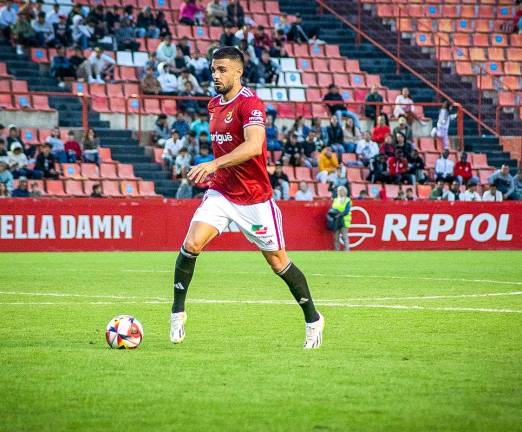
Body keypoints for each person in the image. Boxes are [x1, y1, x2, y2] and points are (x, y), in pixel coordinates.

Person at [170, 47, 324, 349]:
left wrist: (213, 164)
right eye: (214, 69)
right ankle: (177, 312)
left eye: (222, 69)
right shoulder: (214, 105)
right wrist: (214, 170)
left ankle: (313, 318)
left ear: (238, 72)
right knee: (191, 244)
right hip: (222, 193)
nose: (216, 75)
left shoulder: (250, 104)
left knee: (279, 263)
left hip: (255, 199)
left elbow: (254, 146)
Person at [331, 185, 351, 251]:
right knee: (336, 237)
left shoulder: (347, 200)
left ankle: (347, 250)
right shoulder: (335, 200)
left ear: (345, 192)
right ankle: (337, 250)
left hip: (344, 221)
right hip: (336, 220)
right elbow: (332, 209)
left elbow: (347, 211)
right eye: (338, 191)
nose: (339, 192)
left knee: (344, 236)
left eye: (341, 191)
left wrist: (339, 214)